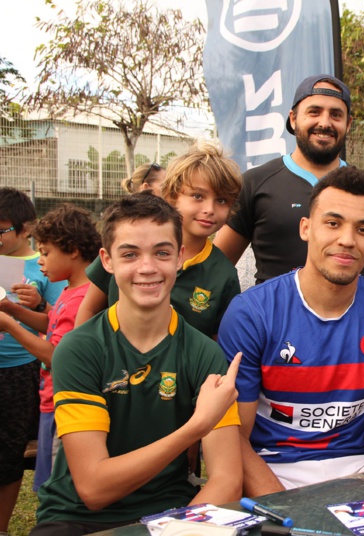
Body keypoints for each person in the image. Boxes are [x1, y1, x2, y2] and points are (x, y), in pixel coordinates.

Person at [32, 193, 242, 536]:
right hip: (77, 517)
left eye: (162, 252)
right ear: (107, 260)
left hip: (171, 512)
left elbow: (227, 480)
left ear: (180, 257)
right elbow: (94, 490)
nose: (147, 267)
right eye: (130, 254)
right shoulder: (79, 348)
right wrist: (195, 427)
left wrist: (178, 530)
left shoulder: (205, 354)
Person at [218, 166, 364, 495]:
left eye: (362, 230)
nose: (346, 240)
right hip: (272, 472)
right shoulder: (251, 314)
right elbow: (233, 436)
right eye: (333, 223)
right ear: (306, 228)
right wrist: (284, 512)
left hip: (361, 473)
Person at [213, 74, 364, 305]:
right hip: (272, 330)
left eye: (336, 114)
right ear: (294, 118)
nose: (325, 123)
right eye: (314, 112)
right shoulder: (255, 183)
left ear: (348, 124)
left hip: (349, 326)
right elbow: (218, 264)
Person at [75, 140, 243, 338]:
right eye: (197, 196)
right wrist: (82, 359)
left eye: (221, 200)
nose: (209, 209)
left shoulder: (224, 274)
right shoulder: (126, 246)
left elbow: (217, 340)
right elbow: (89, 310)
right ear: (172, 196)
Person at [0, 204, 101, 493]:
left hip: (63, 403)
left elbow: (58, 357)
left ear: (71, 249)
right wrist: (13, 310)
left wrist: (9, 326)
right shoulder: (72, 290)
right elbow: (52, 324)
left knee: (54, 488)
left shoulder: (83, 298)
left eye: (45, 252)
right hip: (51, 399)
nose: (40, 261)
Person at [0, 188, 66, 536]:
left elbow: (59, 318)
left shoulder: (42, 265)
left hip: (20, 370)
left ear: (25, 228)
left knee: (10, 455)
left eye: (1, 230)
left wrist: (36, 303)